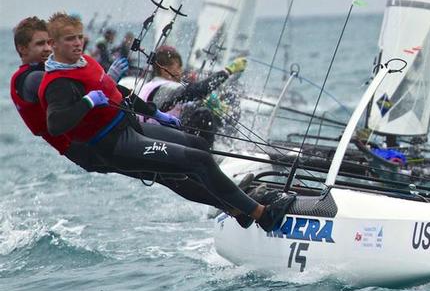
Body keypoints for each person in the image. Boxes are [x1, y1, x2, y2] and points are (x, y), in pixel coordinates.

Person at [38, 12, 292, 230]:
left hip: (132, 127)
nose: (77, 43)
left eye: (79, 37)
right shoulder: (58, 83)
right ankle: (262, 215)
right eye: (69, 39)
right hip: (115, 144)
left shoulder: (85, 62)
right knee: (198, 162)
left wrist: (155, 113)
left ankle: (237, 210)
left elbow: (118, 92)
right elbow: (56, 124)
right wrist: (88, 102)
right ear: (52, 43)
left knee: (198, 145)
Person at [9, 17, 239, 215]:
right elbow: (66, 99)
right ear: (22, 49)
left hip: (113, 132)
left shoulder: (54, 70)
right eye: (40, 44)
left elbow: (100, 90)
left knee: (179, 162)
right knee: (168, 172)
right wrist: (101, 81)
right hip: (92, 148)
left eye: (48, 42)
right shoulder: (32, 80)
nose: (47, 49)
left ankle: (232, 202)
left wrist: (154, 112)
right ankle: (233, 207)